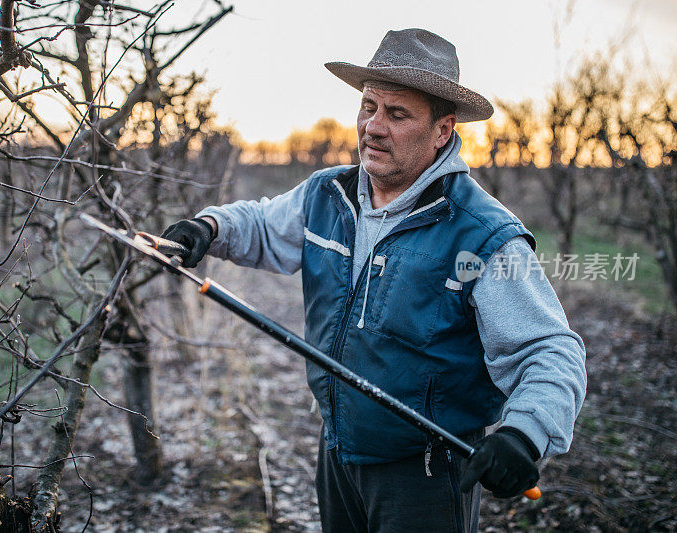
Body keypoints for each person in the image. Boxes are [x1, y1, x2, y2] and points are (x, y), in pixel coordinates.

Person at [161, 29, 587, 533]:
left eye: (397, 114)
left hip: (426, 475)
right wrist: (207, 228)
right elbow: (259, 225)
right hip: (338, 448)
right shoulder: (328, 194)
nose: (373, 127)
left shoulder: (482, 237)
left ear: (443, 130)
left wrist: (523, 433)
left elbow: (549, 349)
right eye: (368, 107)